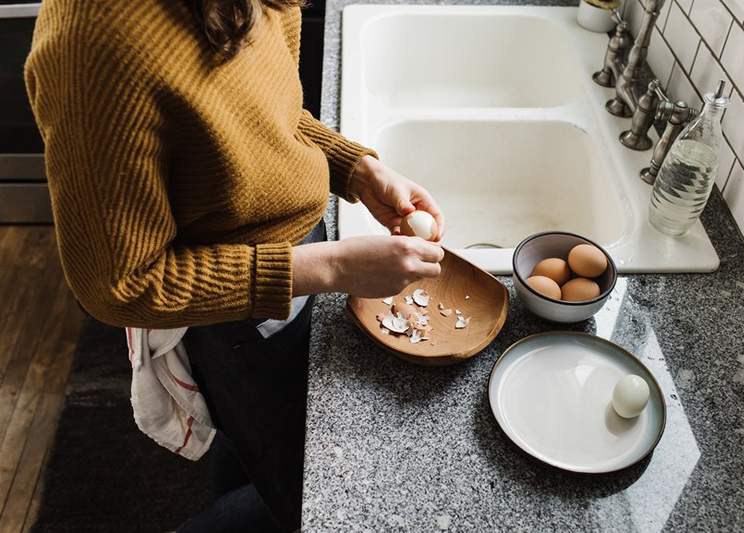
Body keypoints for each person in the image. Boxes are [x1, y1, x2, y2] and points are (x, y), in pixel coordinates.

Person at [25, 0, 445, 530]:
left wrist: (356, 170)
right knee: (303, 494)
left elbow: (268, 117)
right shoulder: (96, 42)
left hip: (297, 264)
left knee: (258, 448)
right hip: (232, 310)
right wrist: (333, 267)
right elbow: (121, 285)